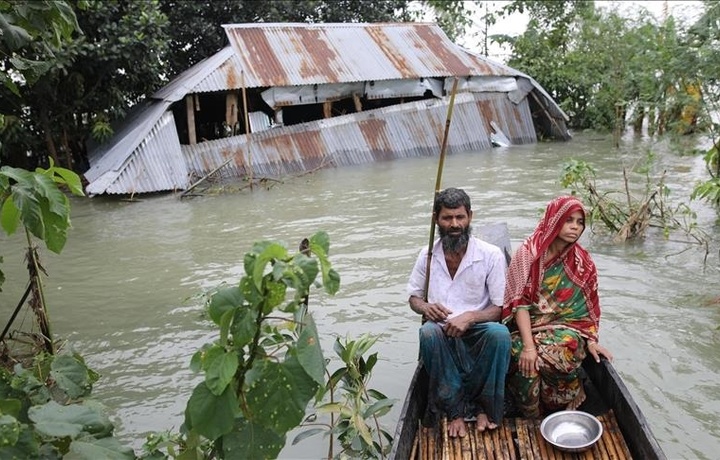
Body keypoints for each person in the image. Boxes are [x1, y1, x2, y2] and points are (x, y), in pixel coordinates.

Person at [407, 187, 510, 438]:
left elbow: (499, 308)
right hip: (442, 330)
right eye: (447, 218)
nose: (454, 224)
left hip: (478, 328)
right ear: (436, 219)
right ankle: (454, 410)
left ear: (470, 217)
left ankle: (486, 408)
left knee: (500, 335)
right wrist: (426, 307)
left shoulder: (490, 255)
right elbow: (413, 298)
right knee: (428, 333)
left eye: (460, 217)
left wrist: (471, 317)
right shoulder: (427, 255)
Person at [502, 195, 613, 419]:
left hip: (566, 329)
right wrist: (529, 347)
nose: (574, 227)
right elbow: (518, 303)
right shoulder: (528, 254)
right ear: (554, 220)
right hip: (525, 328)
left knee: (567, 348)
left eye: (580, 222)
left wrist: (591, 340)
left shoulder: (583, 262)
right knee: (522, 360)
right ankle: (532, 415)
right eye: (568, 220)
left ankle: (562, 399)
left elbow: (588, 307)